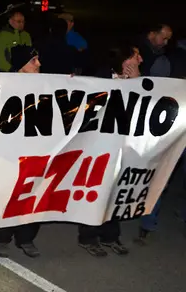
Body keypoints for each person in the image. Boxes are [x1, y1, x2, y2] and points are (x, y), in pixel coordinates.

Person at [77, 41, 142, 258]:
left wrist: (136, 82)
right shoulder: (99, 78)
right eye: (136, 56)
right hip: (98, 147)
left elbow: (146, 111)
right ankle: (88, 236)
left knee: (116, 192)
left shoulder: (141, 81)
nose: (140, 60)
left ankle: (110, 235)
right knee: (95, 191)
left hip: (123, 147)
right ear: (124, 61)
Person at [0, 45, 42, 258]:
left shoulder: (46, 84)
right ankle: (2, 238)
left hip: (37, 149)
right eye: (33, 61)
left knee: (34, 195)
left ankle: (26, 237)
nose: (39, 64)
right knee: (10, 195)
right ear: (21, 65)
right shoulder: (6, 86)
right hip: (11, 151)